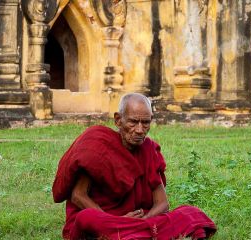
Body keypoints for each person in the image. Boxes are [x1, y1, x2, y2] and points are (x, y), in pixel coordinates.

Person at [52, 93, 216, 240]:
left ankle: (130, 234)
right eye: (133, 122)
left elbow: (162, 204)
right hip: (104, 219)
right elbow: (77, 196)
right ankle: (138, 234)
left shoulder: (149, 149)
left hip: (136, 220)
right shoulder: (97, 145)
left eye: (145, 123)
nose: (139, 130)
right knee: (86, 218)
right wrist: (116, 221)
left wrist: (143, 220)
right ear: (118, 120)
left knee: (191, 213)